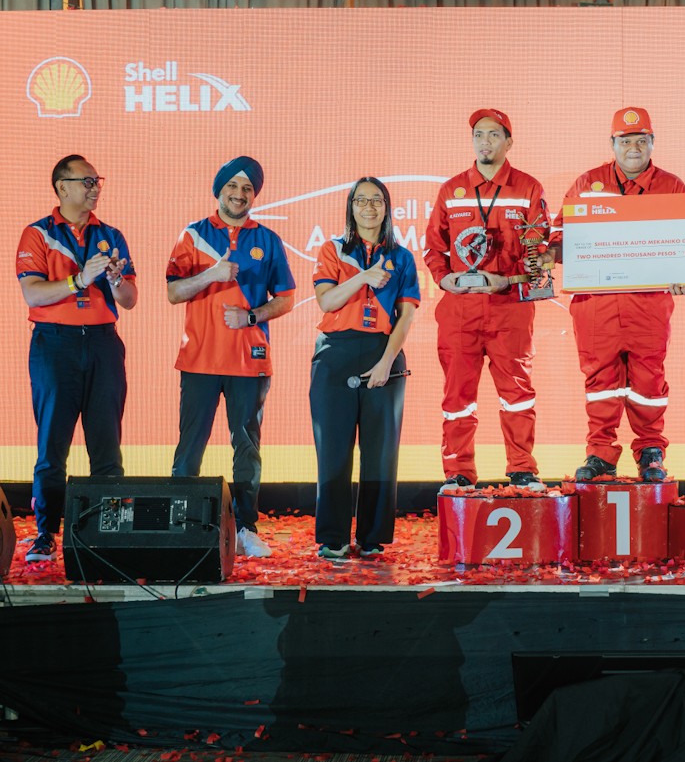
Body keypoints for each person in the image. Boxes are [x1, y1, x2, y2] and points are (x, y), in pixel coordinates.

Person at [543, 107, 685, 483]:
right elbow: (559, 236)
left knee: (649, 380)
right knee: (599, 380)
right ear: (612, 144)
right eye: (625, 141)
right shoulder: (586, 183)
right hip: (597, 304)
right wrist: (545, 253)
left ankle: (651, 451)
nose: (634, 147)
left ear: (653, 142)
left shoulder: (672, 187)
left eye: (641, 139)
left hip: (648, 304)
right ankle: (600, 454)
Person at [166, 156, 296, 558]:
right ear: (219, 189)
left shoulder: (268, 240)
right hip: (200, 361)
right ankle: (181, 525)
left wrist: (252, 315)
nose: (239, 194)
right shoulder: (194, 235)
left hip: (249, 361)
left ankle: (246, 528)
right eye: (233, 186)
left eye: (247, 188)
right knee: (190, 446)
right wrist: (211, 275)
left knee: (247, 447)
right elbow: (173, 292)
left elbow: (287, 298)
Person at [17, 155, 138, 563]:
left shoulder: (110, 234)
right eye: (85, 181)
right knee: (53, 445)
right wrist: (79, 280)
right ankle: (46, 534)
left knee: (107, 446)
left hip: (103, 342)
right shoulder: (38, 234)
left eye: (96, 180)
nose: (94, 187)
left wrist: (116, 281)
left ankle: (112, 534)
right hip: (56, 344)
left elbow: (130, 300)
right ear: (61, 187)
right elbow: (33, 293)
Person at [423, 109, 549, 494]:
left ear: (509, 142)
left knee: (517, 393)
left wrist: (506, 279)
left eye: (494, 134)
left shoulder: (528, 188)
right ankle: (458, 472)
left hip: (510, 307)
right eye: (479, 134)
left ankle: (522, 470)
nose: (485, 141)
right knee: (457, 397)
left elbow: (540, 254)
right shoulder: (452, 190)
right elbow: (434, 248)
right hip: (460, 310)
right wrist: (447, 279)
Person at [310, 178, 420, 559]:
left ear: (387, 208)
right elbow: (327, 301)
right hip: (335, 354)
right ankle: (334, 537)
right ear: (350, 207)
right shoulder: (333, 250)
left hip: (383, 352)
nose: (369, 207)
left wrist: (386, 363)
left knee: (380, 452)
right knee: (334, 450)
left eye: (377, 200)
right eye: (361, 200)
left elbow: (405, 317)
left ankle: (373, 538)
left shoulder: (402, 257)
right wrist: (362, 276)